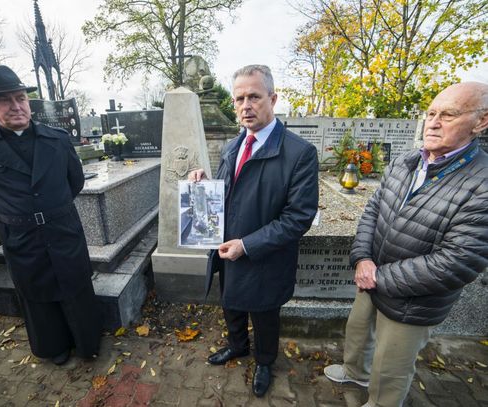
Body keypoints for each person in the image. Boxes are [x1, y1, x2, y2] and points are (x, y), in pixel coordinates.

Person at [324, 82, 488, 407]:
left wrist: (378, 277)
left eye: (448, 115)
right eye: (431, 113)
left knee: (390, 367)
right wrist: (362, 258)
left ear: (481, 122)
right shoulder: (407, 161)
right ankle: (356, 372)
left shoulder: (481, 184)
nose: (433, 123)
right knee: (358, 332)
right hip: (372, 274)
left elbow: (457, 262)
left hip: (413, 300)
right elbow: (374, 209)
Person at [0, 65, 102, 365]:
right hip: (21, 236)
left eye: (20, 98)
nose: (16, 106)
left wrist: (51, 208)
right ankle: (53, 346)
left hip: (63, 229)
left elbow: (74, 181)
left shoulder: (57, 139)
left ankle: (87, 342)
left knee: (75, 285)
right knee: (36, 293)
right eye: (4, 100)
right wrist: (14, 213)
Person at [189, 65, 319, 397]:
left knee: (264, 315)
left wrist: (246, 245)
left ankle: (264, 361)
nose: (245, 106)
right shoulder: (233, 146)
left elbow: (298, 217)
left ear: (272, 99)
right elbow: (231, 192)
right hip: (227, 250)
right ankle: (237, 346)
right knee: (230, 303)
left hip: (264, 256)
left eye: (254, 97)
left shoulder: (299, 153)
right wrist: (205, 186)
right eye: (239, 99)